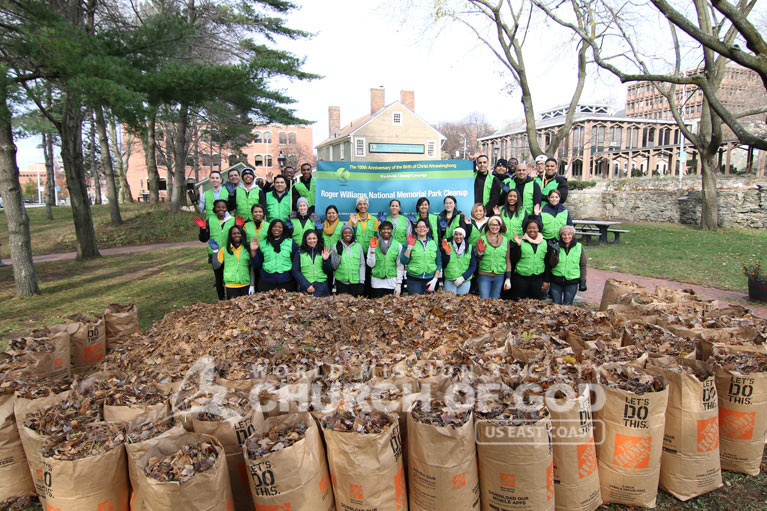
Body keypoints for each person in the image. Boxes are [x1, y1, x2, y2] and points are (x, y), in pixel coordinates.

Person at [510, 218, 558, 301]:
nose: (532, 230)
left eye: (534, 227)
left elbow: (547, 263)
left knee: (536, 304)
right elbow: (513, 259)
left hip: (538, 279)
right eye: (529, 228)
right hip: (521, 278)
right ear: (526, 229)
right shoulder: (521, 242)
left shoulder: (545, 243)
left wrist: (546, 281)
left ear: (538, 229)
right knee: (519, 304)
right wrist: (517, 246)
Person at [196, 199, 234, 300]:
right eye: (218, 207)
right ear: (215, 208)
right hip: (215, 253)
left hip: (229, 252)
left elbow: (237, 236)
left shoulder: (232, 220)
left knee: (230, 277)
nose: (221, 209)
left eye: (223, 207)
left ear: (226, 208)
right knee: (218, 279)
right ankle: (221, 300)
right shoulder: (210, 220)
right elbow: (203, 239)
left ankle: (231, 299)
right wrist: (203, 229)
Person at [211, 225, 256, 300]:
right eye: (234, 233)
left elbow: (252, 268)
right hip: (231, 286)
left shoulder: (247, 249)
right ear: (230, 236)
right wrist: (215, 252)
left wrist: (252, 285)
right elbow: (216, 266)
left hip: (245, 284)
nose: (236, 235)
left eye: (238, 233)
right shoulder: (224, 250)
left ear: (242, 234)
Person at [252, 219, 297, 292]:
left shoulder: (291, 243)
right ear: (270, 228)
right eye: (275, 226)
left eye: (280, 227)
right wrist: (253, 251)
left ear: (283, 229)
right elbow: (257, 265)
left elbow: (295, 263)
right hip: (266, 282)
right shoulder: (263, 244)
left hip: (286, 282)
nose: (277, 229)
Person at [401, 219, 442, 295]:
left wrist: (435, 279)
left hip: (430, 279)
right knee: (414, 304)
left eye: (424, 227)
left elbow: (439, 263)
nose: (422, 229)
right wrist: (409, 247)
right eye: (419, 227)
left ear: (427, 229)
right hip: (414, 280)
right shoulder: (409, 242)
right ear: (416, 230)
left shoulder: (433, 243)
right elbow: (403, 261)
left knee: (430, 305)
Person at [550, 225, 587, 305]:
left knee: (568, 304)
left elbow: (583, 265)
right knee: (556, 304)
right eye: (564, 234)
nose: (566, 237)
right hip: (556, 280)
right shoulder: (555, 246)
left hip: (572, 281)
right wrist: (556, 254)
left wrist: (582, 281)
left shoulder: (579, 247)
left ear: (572, 235)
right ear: (561, 236)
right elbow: (551, 264)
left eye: (569, 234)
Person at [366, 221, 404, 298]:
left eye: (388, 229)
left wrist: (398, 284)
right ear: (380, 231)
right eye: (383, 229)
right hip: (377, 282)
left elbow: (399, 266)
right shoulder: (374, 243)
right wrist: (373, 250)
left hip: (391, 282)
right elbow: (370, 264)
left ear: (392, 230)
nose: (386, 231)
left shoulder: (398, 245)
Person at [475, 215, 510, 299]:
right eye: (492, 225)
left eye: (497, 225)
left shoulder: (505, 240)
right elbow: (476, 259)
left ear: (500, 226)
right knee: (484, 299)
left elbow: (507, 260)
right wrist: (479, 253)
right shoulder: (482, 239)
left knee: (495, 301)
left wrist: (508, 277)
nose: (495, 227)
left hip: (499, 275)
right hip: (484, 274)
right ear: (489, 226)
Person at [292, 230, 332, 297]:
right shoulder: (299, 252)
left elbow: (328, 271)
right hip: (305, 287)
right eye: (309, 239)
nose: (312, 241)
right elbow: (295, 271)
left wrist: (326, 260)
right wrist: (306, 285)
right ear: (305, 240)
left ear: (317, 239)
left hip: (322, 286)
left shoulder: (323, 251)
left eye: (314, 238)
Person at [331, 223, 365, 296]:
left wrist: (362, 282)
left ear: (352, 234)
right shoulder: (335, 246)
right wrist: (338, 254)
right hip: (341, 282)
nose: (347, 234)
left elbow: (362, 265)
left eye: (350, 233)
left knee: (354, 305)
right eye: (345, 233)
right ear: (342, 234)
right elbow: (333, 266)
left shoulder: (358, 246)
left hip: (355, 282)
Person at [441, 227, 477, 295]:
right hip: (450, 279)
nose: (458, 237)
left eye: (460, 234)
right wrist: (447, 254)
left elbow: (473, 265)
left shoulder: (469, 247)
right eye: (456, 234)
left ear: (464, 235)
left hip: (464, 280)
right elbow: (443, 264)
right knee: (450, 302)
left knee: (462, 302)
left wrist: (463, 277)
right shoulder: (447, 245)